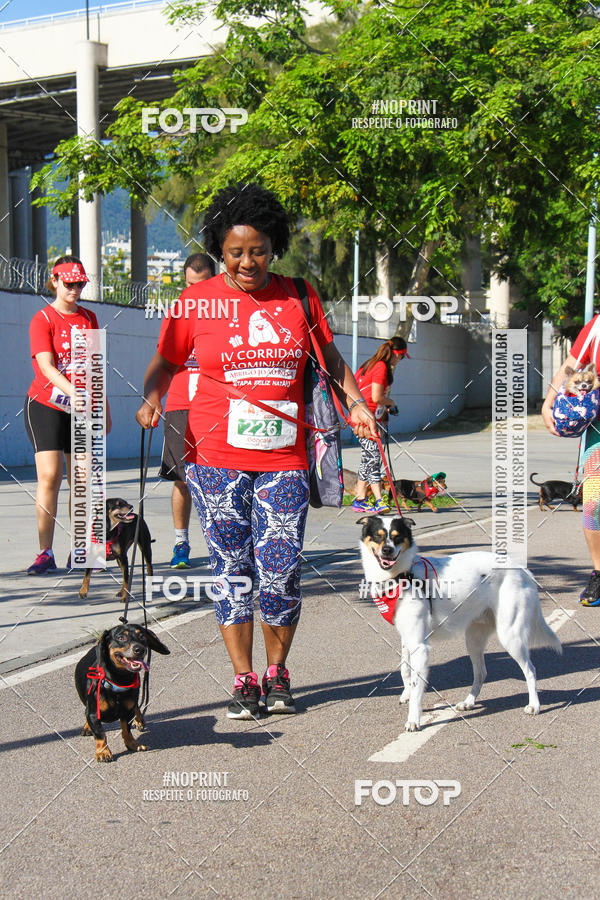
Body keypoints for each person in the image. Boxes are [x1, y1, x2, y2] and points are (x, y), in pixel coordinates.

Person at [136, 182, 375, 719]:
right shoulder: (197, 300)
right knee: (230, 566)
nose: (249, 261)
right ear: (220, 248)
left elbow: (332, 360)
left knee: (281, 566)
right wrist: (151, 398)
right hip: (214, 455)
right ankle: (243, 679)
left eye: (259, 250)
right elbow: (165, 360)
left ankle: (278, 672)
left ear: (275, 245)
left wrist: (356, 403)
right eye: (236, 252)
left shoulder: (299, 295)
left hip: (284, 456)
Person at [24, 256, 111, 574]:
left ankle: (85, 549)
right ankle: (44, 551)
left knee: (84, 479)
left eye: (80, 284)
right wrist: (74, 392)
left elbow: (94, 366)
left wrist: (104, 406)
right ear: (55, 281)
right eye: (69, 283)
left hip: (84, 408)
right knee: (50, 476)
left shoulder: (89, 317)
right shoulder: (43, 318)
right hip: (47, 403)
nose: (75, 289)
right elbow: (46, 365)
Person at [159, 252, 216, 568]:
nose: (195, 291)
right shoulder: (177, 312)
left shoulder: (227, 312)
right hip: (181, 406)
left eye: (202, 284)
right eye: (190, 284)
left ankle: (221, 544)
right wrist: (153, 398)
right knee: (182, 480)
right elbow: (163, 361)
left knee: (219, 479)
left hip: (218, 407)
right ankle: (181, 544)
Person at [541, 315, 600, 605]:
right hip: (598, 433)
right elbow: (572, 362)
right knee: (592, 503)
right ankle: (599, 575)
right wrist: (548, 402)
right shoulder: (597, 327)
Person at [352, 336, 409, 513]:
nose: (400, 361)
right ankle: (379, 500)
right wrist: (391, 403)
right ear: (397, 355)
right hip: (366, 420)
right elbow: (377, 397)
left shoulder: (370, 364)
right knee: (375, 459)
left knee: (368, 458)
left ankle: (360, 498)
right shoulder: (381, 367)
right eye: (401, 357)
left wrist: (383, 412)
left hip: (365, 417)